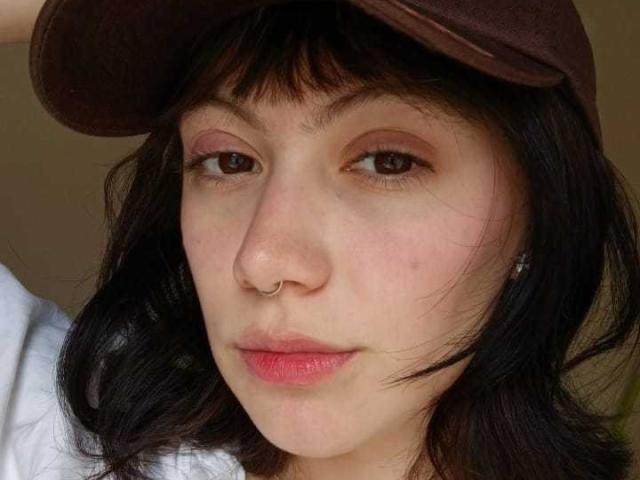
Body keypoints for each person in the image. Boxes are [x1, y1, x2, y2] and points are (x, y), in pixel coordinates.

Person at [1, 1, 639, 479]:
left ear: (539, 212)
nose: (264, 260)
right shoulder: (68, 447)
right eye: (229, 161)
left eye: (387, 161)